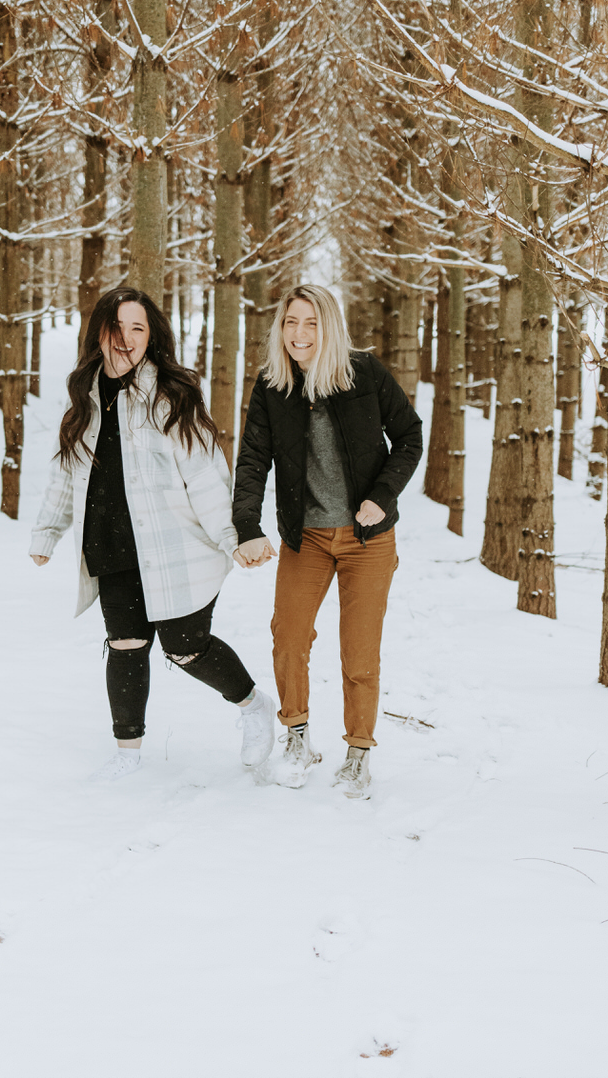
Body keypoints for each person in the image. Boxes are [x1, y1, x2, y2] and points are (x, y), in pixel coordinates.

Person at [30, 287, 276, 781]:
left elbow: (206, 478)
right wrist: (47, 532)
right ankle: (127, 753)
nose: (125, 338)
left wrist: (234, 538)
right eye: (116, 327)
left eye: (137, 328)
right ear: (99, 333)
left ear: (151, 337)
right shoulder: (84, 396)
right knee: (124, 645)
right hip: (110, 544)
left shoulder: (171, 397)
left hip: (173, 548)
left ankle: (253, 705)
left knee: (185, 646)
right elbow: (68, 472)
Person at [232, 284, 423, 798]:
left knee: (359, 651)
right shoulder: (272, 385)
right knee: (289, 636)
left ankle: (358, 754)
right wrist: (247, 526)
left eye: (311, 323)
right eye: (291, 322)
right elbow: (252, 459)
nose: (299, 334)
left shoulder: (364, 374)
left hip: (368, 539)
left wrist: (382, 496)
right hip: (306, 538)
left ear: (330, 326)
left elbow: (409, 436)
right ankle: (297, 737)